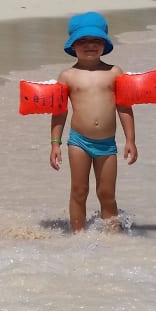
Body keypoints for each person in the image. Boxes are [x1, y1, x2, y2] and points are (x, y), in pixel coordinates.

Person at [49, 12, 137, 232]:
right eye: (84, 41)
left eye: (96, 41)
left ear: (105, 44)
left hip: (107, 144)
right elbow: (59, 112)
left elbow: (124, 107)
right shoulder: (67, 76)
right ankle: (78, 236)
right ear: (73, 45)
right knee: (79, 191)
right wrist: (55, 143)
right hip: (79, 142)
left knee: (107, 193)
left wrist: (130, 140)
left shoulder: (114, 72)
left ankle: (112, 238)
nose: (90, 46)